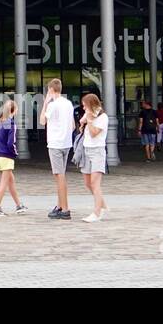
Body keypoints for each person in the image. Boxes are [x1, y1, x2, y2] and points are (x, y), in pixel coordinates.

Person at [39, 78, 75, 221]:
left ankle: (65, 208)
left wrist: (46, 103)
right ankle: (60, 205)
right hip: (66, 143)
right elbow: (72, 125)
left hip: (55, 144)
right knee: (59, 175)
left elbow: (42, 121)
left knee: (60, 176)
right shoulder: (68, 104)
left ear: (51, 90)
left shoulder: (53, 105)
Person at [0, 99, 27, 217]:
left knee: (11, 182)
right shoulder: (11, 124)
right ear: (14, 110)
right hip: (6, 156)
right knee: (4, 184)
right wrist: (15, 153)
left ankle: (18, 205)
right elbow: (11, 142)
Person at [78, 93, 110, 223]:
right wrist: (83, 122)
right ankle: (102, 205)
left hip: (97, 151)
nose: (84, 109)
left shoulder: (103, 117)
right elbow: (81, 124)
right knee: (87, 182)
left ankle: (97, 213)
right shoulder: (89, 114)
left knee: (95, 184)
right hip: (86, 150)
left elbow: (94, 133)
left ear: (91, 105)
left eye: (85, 106)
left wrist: (90, 120)